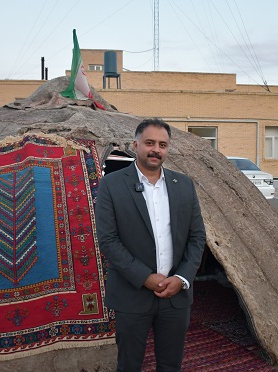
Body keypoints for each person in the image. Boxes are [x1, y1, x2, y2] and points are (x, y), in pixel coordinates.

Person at [95, 118, 206, 371]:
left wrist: (182, 278)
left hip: (176, 297)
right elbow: (108, 240)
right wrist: (145, 277)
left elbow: (197, 237)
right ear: (135, 145)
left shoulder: (184, 185)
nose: (156, 149)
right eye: (150, 143)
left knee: (170, 364)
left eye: (162, 144)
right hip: (131, 296)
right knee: (129, 364)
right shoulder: (112, 185)